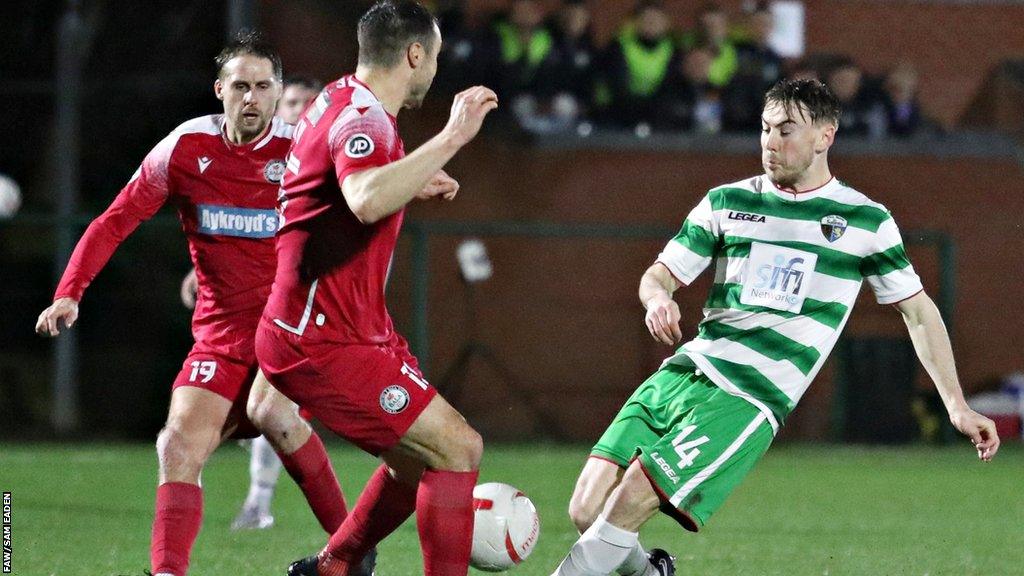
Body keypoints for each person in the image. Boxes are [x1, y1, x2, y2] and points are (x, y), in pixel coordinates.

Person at [551, 79, 1000, 576]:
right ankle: (649, 572)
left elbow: (918, 312)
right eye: (764, 129)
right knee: (586, 510)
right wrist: (658, 298)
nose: (770, 142)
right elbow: (660, 274)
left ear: (825, 136)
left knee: (632, 496)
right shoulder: (726, 202)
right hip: (685, 370)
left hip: (748, 395)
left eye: (786, 130)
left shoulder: (864, 221)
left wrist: (956, 405)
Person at [35, 32, 362, 576]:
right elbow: (117, 219)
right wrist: (70, 291)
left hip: (288, 333)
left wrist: (418, 177)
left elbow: (366, 189)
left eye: (263, 86)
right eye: (241, 86)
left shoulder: (304, 148)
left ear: (278, 91)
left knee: (274, 412)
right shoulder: (186, 148)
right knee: (177, 445)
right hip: (221, 338)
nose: (252, 98)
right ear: (220, 90)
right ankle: (167, 572)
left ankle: (352, 553)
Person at [252, 2, 497, 575]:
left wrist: (408, 179)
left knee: (417, 462)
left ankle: (334, 566)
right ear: (415, 55)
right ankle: (338, 564)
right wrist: (451, 138)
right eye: (433, 57)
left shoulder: (338, 98)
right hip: (322, 339)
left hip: (345, 327)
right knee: (458, 450)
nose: (434, 68)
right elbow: (361, 199)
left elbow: (331, 196)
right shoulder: (364, 120)